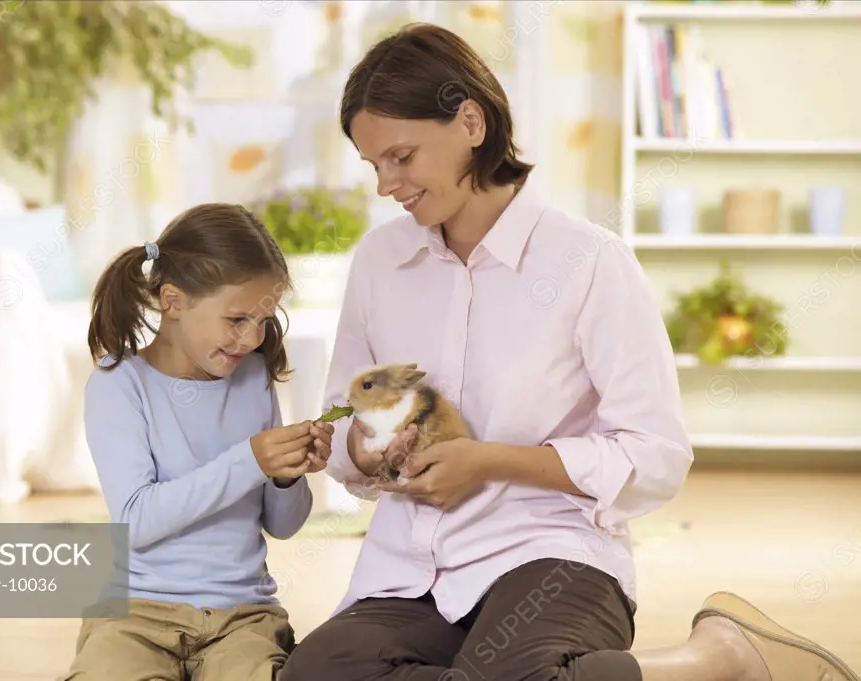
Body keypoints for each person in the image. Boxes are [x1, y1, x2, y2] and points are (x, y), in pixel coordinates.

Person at [281, 22, 859, 681]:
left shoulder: (589, 261)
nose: (386, 183)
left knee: (513, 673)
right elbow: (341, 412)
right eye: (373, 164)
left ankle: (718, 657)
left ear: (471, 122)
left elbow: (656, 453)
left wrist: (491, 462)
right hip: (411, 566)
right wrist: (367, 447)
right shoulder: (381, 262)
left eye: (402, 156)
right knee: (312, 674)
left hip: (550, 553)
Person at [59, 203, 335, 681]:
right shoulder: (120, 385)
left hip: (242, 615)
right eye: (237, 319)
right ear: (173, 302)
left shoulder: (253, 379)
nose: (252, 338)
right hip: (135, 615)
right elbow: (137, 519)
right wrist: (251, 460)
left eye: (264, 320)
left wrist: (286, 477)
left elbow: (284, 526)